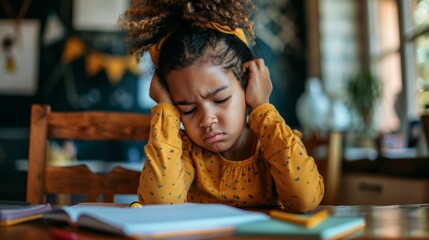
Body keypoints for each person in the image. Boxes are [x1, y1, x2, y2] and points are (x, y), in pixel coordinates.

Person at [119, 0, 324, 212]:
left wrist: (262, 106)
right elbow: (159, 206)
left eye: (220, 100)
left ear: (247, 85)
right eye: (188, 109)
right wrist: (165, 107)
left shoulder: (273, 144)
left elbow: (305, 200)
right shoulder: (185, 152)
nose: (207, 120)